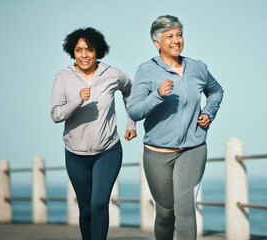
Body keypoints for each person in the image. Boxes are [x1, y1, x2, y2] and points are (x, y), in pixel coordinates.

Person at [128, 15, 224, 240]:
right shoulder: (146, 71)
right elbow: (134, 111)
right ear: (156, 43)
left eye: (179, 34)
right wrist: (157, 95)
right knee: (164, 214)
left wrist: (209, 113)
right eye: (169, 36)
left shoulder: (197, 68)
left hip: (192, 150)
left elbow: (216, 91)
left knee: (185, 209)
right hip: (157, 154)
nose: (176, 40)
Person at [50, 27, 137, 240]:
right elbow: (56, 115)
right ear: (72, 52)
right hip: (75, 154)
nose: (84, 55)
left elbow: (130, 91)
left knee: (99, 203)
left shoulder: (112, 74)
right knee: (86, 209)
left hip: (108, 151)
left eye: (89, 50)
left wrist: (131, 122)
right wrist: (77, 100)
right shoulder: (63, 77)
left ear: (98, 50)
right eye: (79, 50)